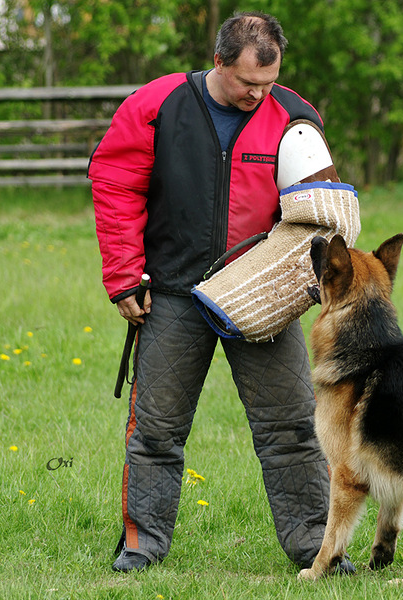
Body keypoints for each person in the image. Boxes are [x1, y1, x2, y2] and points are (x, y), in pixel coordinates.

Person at [89, 11, 352, 574]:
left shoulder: (294, 116)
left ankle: (317, 548)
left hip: (261, 298)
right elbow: (115, 183)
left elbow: (320, 212)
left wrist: (301, 283)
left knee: (292, 430)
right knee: (156, 429)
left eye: (268, 82)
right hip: (172, 292)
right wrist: (124, 275)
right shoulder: (157, 105)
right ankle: (142, 544)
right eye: (247, 82)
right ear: (219, 61)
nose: (259, 94)